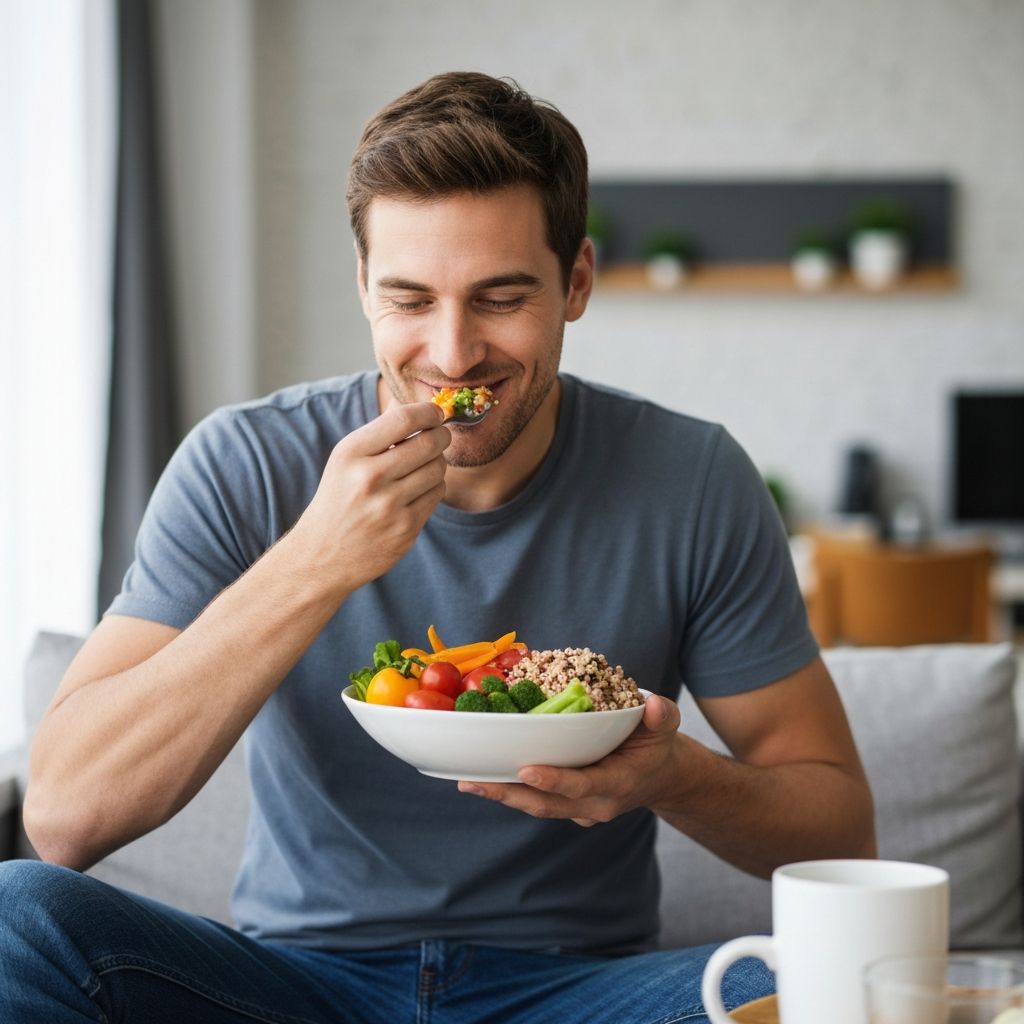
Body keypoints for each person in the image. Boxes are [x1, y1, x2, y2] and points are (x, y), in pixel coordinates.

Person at [1, 71, 875, 1023]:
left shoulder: (692, 477)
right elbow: (64, 819)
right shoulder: (243, 462)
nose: (454, 355)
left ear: (576, 281)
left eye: (500, 298)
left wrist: (672, 777)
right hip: (296, 987)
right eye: (410, 300)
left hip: (578, 990)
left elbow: (838, 829)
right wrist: (315, 560)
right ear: (364, 287)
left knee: (829, 991)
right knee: (20, 914)